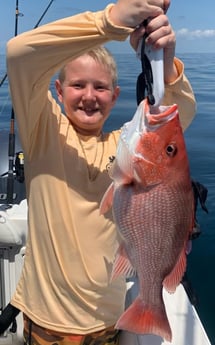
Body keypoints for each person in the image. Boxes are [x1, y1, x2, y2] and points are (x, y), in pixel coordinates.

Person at [6, 0, 196, 344]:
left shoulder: (123, 149)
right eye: (78, 85)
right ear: (58, 91)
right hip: (47, 321)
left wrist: (164, 65)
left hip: (107, 322)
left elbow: (175, 123)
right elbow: (20, 53)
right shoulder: (41, 130)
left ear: (115, 95)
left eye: (101, 87)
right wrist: (110, 21)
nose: (89, 96)